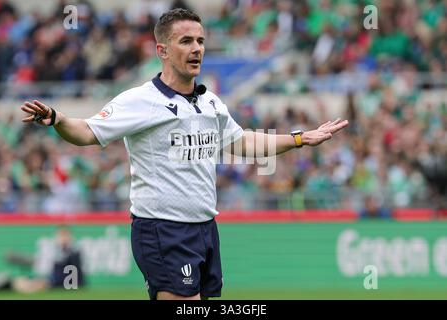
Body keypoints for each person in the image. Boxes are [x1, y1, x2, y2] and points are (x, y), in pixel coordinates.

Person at [20, 8, 348, 300]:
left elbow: (243, 143)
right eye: (186, 41)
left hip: (205, 227)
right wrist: (58, 119)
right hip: (163, 230)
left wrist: (301, 138)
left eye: (201, 41)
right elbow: (88, 132)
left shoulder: (211, 102)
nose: (197, 49)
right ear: (162, 50)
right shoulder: (139, 100)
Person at [0, 226, 85, 293]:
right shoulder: (54, 250)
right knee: (21, 281)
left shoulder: (74, 252)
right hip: (50, 281)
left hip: (60, 284)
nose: (62, 238)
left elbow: (72, 277)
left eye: (64, 235)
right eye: (60, 235)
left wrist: (49, 283)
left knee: (27, 285)